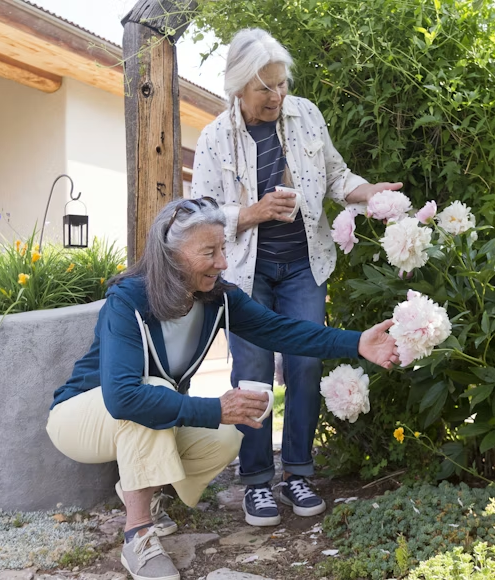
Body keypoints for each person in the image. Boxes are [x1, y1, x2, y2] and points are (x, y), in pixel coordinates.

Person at [46, 198, 399, 580]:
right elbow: (122, 398)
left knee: (227, 436)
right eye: (209, 252)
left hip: (137, 413)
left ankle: (144, 486)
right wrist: (215, 409)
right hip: (79, 417)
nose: (223, 262)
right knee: (151, 391)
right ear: (172, 254)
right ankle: (139, 535)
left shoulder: (218, 298)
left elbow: (281, 330)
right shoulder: (128, 300)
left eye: (223, 249)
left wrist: (356, 343)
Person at [191, 28, 403, 527]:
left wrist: (369, 193)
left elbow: (335, 177)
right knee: (252, 372)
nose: (277, 96)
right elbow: (200, 215)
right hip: (245, 275)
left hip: (305, 265)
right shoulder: (214, 138)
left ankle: (299, 474)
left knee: (306, 363)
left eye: (282, 83)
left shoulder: (305, 115)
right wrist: (254, 212)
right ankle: (256, 481)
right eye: (265, 87)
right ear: (238, 87)